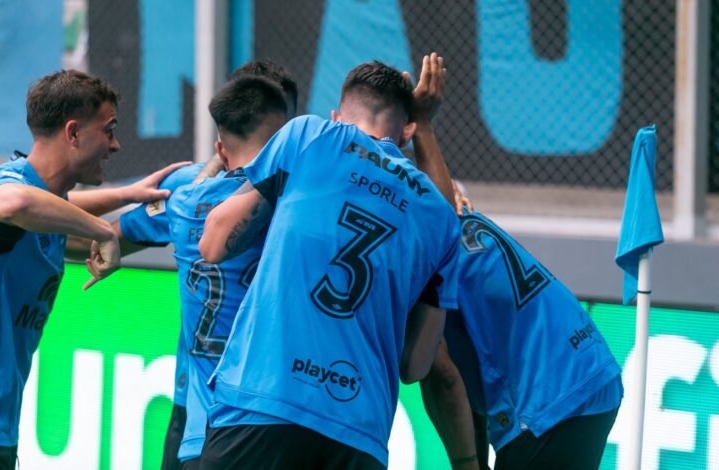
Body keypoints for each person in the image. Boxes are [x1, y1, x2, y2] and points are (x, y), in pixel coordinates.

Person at [196, 53, 462, 469]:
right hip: (358, 431)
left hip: (264, 401)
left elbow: (214, 243)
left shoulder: (309, 135)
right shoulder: (440, 217)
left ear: (337, 116)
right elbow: (415, 365)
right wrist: (426, 124)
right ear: (406, 134)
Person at [0, 69, 186, 469]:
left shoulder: (49, 215)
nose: (116, 145)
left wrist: (129, 197)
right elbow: (15, 203)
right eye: (109, 130)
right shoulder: (1, 185)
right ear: (73, 133)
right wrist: (101, 230)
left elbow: (59, 210)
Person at [109, 60, 298, 469]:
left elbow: (102, 242)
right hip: (211, 409)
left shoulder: (187, 192)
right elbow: (106, 241)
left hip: (236, 414)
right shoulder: (301, 197)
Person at [419, 180, 624, 469]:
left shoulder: (417, 249)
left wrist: (466, 464)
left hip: (549, 400)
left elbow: (443, 377)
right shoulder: (455, 216)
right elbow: (466, 384)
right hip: (592, 368)